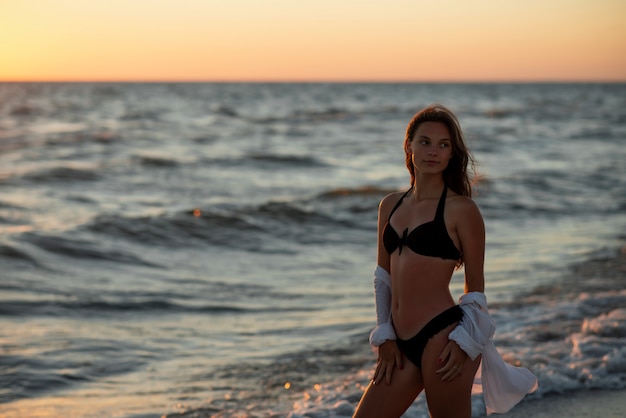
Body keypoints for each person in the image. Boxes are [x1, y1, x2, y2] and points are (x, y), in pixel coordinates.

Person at [353, 104, 537, 418]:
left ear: (452, 153)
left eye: (443, 145)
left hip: (445, 337)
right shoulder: (389, 205)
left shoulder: (461, 209)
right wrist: (384, 335)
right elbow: (382, 277)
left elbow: (475, 288)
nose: (433, 152)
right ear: (409, 146)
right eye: (425, 142)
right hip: (399, 341)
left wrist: (465, 342)